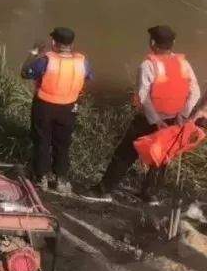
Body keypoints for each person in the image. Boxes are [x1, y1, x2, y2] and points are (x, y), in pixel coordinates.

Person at [85, 25, 201, 204]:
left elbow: (143, 96)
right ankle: (150, 194)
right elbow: (195, 93)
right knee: (161, 156)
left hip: (148, 120)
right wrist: (183, 116)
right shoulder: (183, 64)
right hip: (173, 120)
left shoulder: (148, 65)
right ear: (173, 43)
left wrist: (155, 120)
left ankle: (103, 191)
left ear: (152, 43)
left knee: (125, 153)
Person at [21, 27, 92, 194]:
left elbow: (25, 73)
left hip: (45, 106)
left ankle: (41, 178)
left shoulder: (46, 61)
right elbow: (87, 77)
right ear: (72, 44)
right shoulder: (82, 62)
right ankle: (61, 180)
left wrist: (33, 52)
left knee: (42, 141)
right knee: (63, 143)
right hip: (69, 108)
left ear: (54, 42)